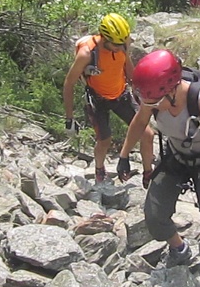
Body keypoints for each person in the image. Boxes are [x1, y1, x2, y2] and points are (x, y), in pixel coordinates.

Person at [116, 49, 200, 287]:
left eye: (156, 103)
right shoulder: (153, 96)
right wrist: (124, 155)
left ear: (172, 89)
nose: (152, 107)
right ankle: (180, 249)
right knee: (154, 215)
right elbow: (140, 120)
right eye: (149, 103)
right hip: (176, 158)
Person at [63, 13, 154, 186]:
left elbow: (126, 64)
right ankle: (99, 170)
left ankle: (148, 173)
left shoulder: (121, 43)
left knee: (148, 134)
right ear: (104, 37)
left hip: (121, 94)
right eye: (116, 45)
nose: (120, 48)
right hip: (97, 99)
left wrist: (139, 89)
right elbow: (69, 83)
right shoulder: (87, 54)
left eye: (123, 44)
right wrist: (69, 118)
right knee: (104, 139)